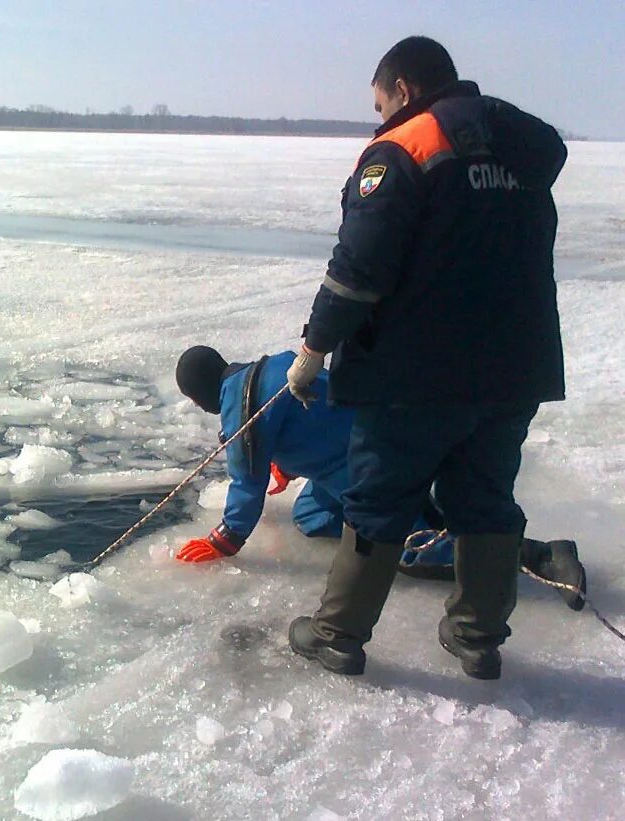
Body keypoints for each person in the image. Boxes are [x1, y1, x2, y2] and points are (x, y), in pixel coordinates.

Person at [282, 36, 568, 679]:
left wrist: (314, 347)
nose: (379, 115)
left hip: (413, 374)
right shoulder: (519, 150)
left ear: (403, 89)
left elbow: (358, 268)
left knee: (379, 499)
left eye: (380, 101)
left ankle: (338, 634)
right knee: (487, 498)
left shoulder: (405, 147)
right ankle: (477, 635)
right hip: (512, 370)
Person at [173, 344, 585, 603]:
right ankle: (409, 509)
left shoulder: (239, 410)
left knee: (409, 547)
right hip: (370, 441)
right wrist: (286, 458)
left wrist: (223, 542)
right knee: (312, 517)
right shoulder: (275, 365)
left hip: (369, 463)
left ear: (200, 394)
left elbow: (246, 483)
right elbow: (310, 411)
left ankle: (540, 555)